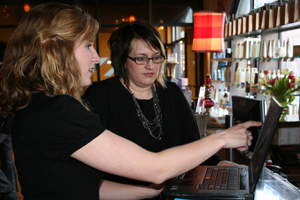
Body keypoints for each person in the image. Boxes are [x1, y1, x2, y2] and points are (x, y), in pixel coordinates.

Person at [0, 3, 260, 200]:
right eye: (88, 46)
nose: (95, 57)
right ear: (57, 51)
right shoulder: (57, 111)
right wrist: (223, 138)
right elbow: (156, 168)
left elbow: (85, 187)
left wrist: (150, 192)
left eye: (156, 57)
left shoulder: (41, 105)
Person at [83, 21, 244, 199]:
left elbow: (193, 145)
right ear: (122, 59)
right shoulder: (101, 96)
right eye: (141, 58)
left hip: (172, 193)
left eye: (156, 57)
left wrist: (223, 165)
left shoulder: (171, 92)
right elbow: (90, 172)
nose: (151, 66)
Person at [0, 41, 18, 200]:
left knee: (7, 160)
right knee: (7, 161)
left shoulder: (6, 73)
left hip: (5, 124)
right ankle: (10, 193)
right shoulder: (10, 74)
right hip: (8, 125)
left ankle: (7, 190)